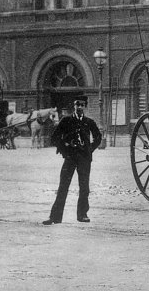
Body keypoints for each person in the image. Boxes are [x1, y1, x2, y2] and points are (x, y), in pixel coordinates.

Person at [42, 96, 102, 225]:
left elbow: (98, 137)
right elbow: (54, 138)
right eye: (77, 104)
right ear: (74, 106)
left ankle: (83, 214)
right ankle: (55, 217)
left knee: (84, 187)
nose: (79, 107)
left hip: (84, 159)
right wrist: (65, 149)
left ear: (85, 106)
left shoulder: (89, 122)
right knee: (63, 186)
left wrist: (89, 149)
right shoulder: (66, 120)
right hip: (70, 158)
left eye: (82, 105)